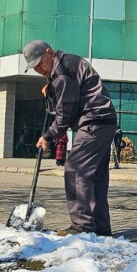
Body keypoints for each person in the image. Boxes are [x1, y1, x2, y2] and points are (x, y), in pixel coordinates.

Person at [23, 39, 118, 235]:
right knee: (95, 178)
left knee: (75, 170)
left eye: (40, 63)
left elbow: (66, 113)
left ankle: (82, 226)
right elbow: (67, 102)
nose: (38, 69)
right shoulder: (68, 65)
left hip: (93, 122)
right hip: (104, 121)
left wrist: (48, 136)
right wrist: (51, 90)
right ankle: (101, 229)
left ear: (49, 53)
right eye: (34, 67)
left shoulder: (63, 73)